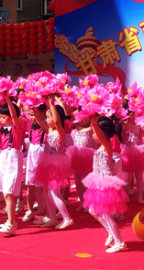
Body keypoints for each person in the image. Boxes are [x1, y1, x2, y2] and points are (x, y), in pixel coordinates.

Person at [81, 115, 129, 253]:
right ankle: (111, 232)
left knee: (105, 213)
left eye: (94, 132)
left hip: (106, 184)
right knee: (92, 210)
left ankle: (120, 242)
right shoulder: (101, 146)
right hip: (98, 182)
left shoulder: (107, 145)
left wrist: (93, 120)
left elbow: (101, 136)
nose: (93, 135)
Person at [32, 96, 74, 230]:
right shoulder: (49, 130)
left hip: (56, 165)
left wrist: (51, 104)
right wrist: (31, 102)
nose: (47, 119)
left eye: (48, 117)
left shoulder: (60, 131)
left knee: (53, 193)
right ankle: (52, 218)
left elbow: (56, 121)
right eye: (47, 117)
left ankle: (67, 218)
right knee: (46, 192)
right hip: (47, 164)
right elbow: (38, 119)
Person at [0, 94, 26, 235]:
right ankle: (12, 221)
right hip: (3, 156)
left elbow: (12, 113)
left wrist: (6, 99)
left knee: (8, 192)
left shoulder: (17, 126)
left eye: (4, 117)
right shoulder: (1, 126)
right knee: (7, 192)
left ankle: (11, 222)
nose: (1, 119)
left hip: (12, 156)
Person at [21, 104, 47, 224]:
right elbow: (15, 116)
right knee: (30, 184)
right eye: (31, 114)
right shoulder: (29, 123)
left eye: (35, 114)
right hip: (32, 153)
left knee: (43, 186)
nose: (33, 117)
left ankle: (48, 211)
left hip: (42, 153)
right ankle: (30, 210)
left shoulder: (45, 124)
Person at [66, 115, 97, 212]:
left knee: (86, 181)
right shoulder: (77, 127)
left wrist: (93, 116)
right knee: (78, 180)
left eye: (85, 117)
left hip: (87, 158)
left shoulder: (91, 128)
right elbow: (69, 115)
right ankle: (82, 202)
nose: (82, 119)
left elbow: (94, 122)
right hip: (77, 157)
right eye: (81, 117)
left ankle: (89, 202)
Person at [120, 111, 144, 205]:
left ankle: (140, 197)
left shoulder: (140, 124)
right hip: (127, 151)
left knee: (139, 176)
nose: (138, 115)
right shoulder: (124, 123)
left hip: (139, 152)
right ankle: (126, 196)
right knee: (128, 176)